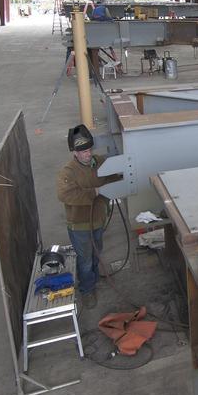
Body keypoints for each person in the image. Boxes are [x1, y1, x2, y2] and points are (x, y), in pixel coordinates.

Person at [56, 125, 120, 305]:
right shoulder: (67, 172)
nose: (87, 154)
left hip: (98, 220)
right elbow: (65, 195)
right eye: (82, 151)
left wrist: (123, 177)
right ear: (74, 152)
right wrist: (95, 192)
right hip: (80, 225)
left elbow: (111, 177)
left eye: (89, 149)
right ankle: (87, 290)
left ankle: (93, 279)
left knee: (96, 253)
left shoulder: (98, 162)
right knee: (84, 259)